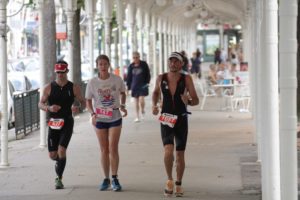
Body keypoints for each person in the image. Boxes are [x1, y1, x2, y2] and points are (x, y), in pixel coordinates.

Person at [152, 52, 199, 197]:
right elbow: (155, 92)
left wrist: (188, 101)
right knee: (167, 151)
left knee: (179, 154)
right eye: (171, 61)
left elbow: (196, 100)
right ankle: (169, 180)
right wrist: (154, 105)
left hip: (181, 119)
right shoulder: (161, 78)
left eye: (176, 61)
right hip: (166, 118)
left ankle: (179, 183)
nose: (173, 64)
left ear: (181, 64)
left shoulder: (186, 79)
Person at [38, 60, 86, 189]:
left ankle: (59, 178)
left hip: (67, 122)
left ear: (67, 72)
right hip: (53, 123)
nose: (60, 74)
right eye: (58, 72)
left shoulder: (74, 87)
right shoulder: (49, 87)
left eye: (62, 72)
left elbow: (83, 102)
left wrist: (78, 107)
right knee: (53, 155)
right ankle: (60, 161)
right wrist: (49, 108)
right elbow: (40, 104)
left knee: (62, 150)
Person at [85, 54, 127, 192]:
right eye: (100, 64)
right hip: (100, 118)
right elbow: (88, 100)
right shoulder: (92, 82)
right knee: (104, 149)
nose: (103, 66)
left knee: (113, 148)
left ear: (109, 65)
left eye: (105, 64)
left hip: (114, 116)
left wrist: (122, 105)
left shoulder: (117, 79)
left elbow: (123, 92)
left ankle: (115, 178)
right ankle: (106, 178)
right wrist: (92, 113)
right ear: (97, 66)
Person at [126, 51, 151, 122]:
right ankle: (137, 116)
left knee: (141, 100)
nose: (135, 59)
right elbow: (129, 77)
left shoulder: (144, 64)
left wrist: (147, 82)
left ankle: (142, 110)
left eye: (136, 57)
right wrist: (128, 87)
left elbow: (148, 73)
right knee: (136, 101)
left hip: (143, 85)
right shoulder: (131, 66)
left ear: (139, 57)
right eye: (134, 58)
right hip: (134, 86)